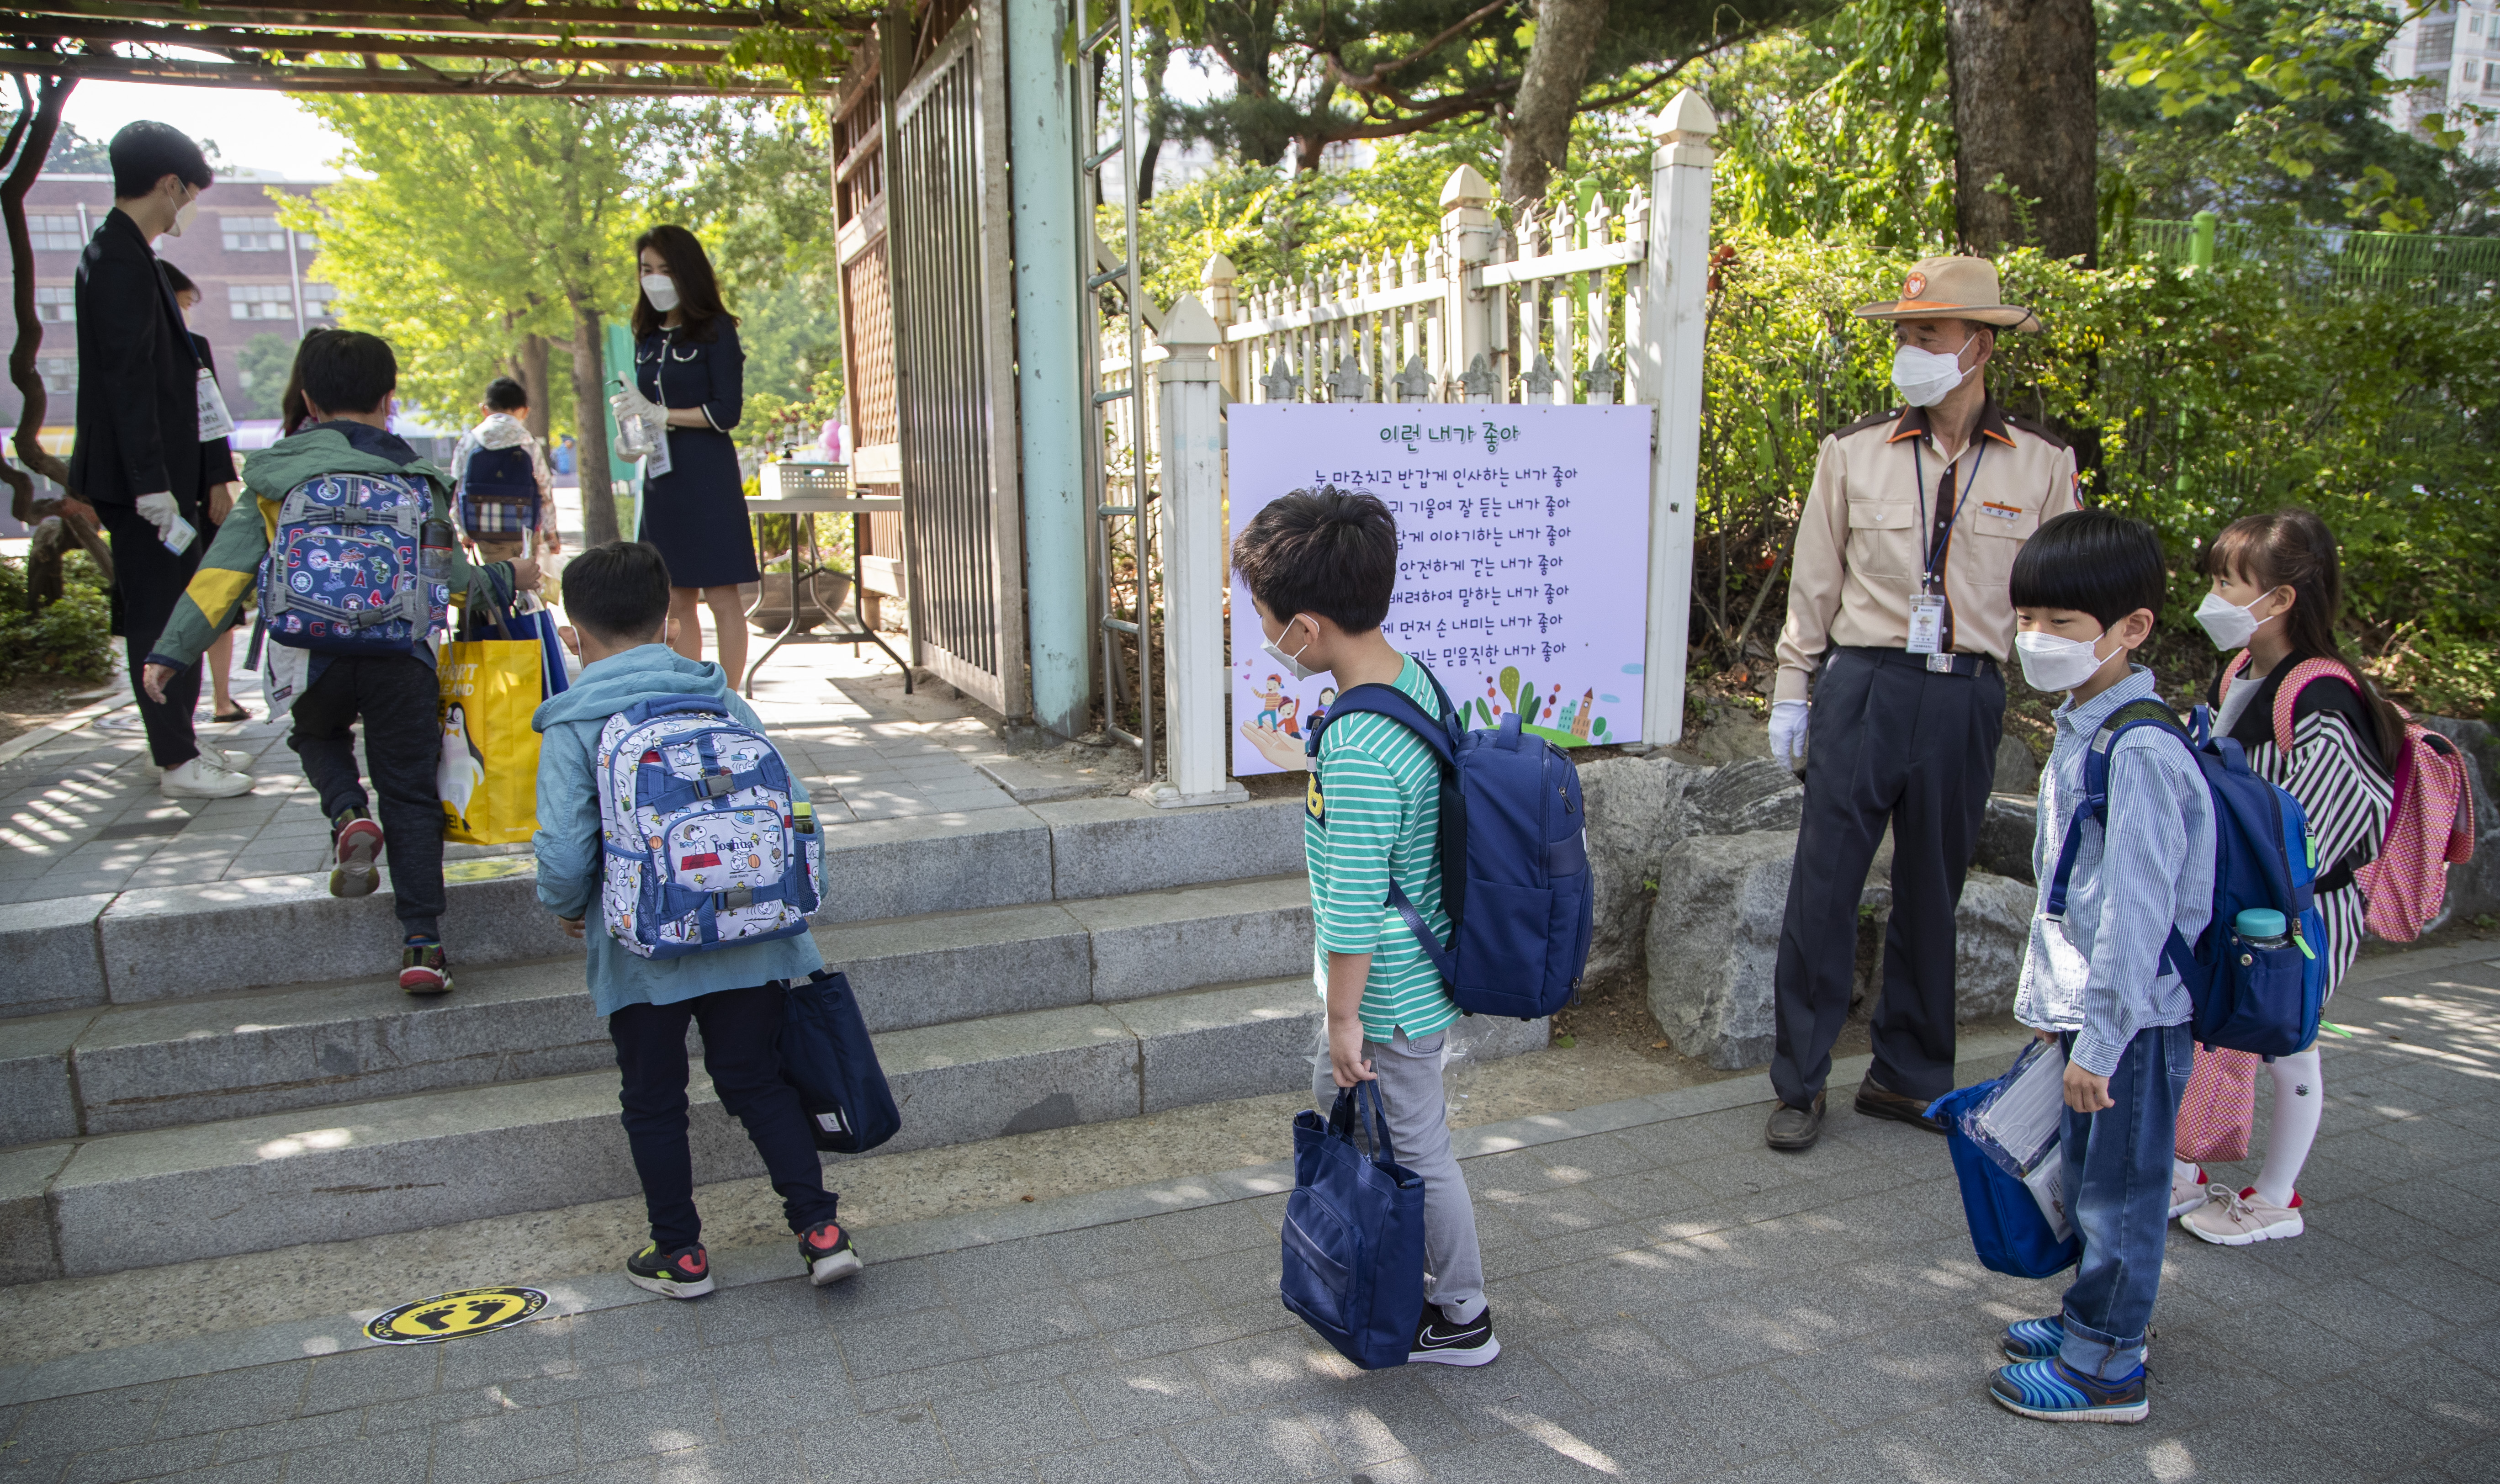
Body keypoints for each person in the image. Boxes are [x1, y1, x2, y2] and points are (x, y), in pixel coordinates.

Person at [1761, 256, 2084, 1151]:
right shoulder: (1852, 452)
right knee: (1824, 887)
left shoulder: (2046, 466)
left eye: (1926, 334)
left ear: (1977, 346)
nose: (1908, 349)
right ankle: (1800, 1083)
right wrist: (1794, 692)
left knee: (1932, 888)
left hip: (1967, 697)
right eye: (1903, 333)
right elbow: (1813, 587)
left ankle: (1908, 1077)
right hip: (1863, 684)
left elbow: (2064, 590)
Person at [141, 331, 536, 996]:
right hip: (400, 660)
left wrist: (169, 654)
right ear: (389, 400)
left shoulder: (275, 476)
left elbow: (224, 574)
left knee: (317, 735)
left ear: (308, 401)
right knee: (410, 794)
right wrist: (512, 574)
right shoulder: (418, 480)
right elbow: (454, 584)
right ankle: (423, 945)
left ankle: (347, 811)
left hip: (310, 658)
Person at [530, 540, 860, 1299]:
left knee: (654, 1098)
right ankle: (820, 1230)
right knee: (756, 1081)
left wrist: (565, 906)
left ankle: (680, 1254)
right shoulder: (724, 701)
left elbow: (562, 849)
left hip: (641, 949)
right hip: (750, 938)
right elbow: (794, 810)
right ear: (669, 622)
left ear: (574, 634)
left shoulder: (575, 723)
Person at [1232, 487, 1500, 1367]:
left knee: (1418, 1151)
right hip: (1409, 975)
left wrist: (1346, 1019)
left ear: (1305, 628)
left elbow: (1352, 905)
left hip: (1386, 994)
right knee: (1378, 1129)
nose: (1265, 635)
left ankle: (1462, 1316)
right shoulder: (1405, 679)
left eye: (1268, 620)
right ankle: (1384, 1259)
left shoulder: (1356, 747)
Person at [1992, 509, 2207, 1425]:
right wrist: (2057, 1011)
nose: (2036, 639)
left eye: (2063, 625)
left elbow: (2137, 915)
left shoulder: (2143, 750)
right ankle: (2093, 1317)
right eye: (2028, 617)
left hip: (2135, 1017)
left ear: (2132, 630)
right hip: (2097, 1010)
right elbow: (2072, 890)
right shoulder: (2088, 721)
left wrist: (2102, 1044)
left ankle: (2108, 1366)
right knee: (2086, 1180)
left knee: (2121, 1192)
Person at [2169, 509, 2396, 1246]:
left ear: (2282, 599)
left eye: (2230, 583)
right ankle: (2187, 1165)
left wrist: (2253, 884)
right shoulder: (2243, 670)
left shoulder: (2325, 696)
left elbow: (2327, 829)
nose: (2215, 596)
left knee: (2289, 1039)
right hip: (2247, 897)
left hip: (2303, 909)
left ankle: (2275, 1198)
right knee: (2227, 1023)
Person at [71, 122, 253, 799]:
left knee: (179, 606)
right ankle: (177, 760)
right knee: (161, 613)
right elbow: (128, 379)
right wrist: (151, 485)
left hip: (163, 478)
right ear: (169, 184)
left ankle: (183, 748)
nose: (189, 208)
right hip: (144, 481)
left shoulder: (129, 254)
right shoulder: (116, 258)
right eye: (190, 193)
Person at [630, 224, 754, 685]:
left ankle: (733, 698)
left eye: (666, 269)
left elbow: (728, 410)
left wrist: (665, 415)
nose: (655, 278)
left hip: (708, 472)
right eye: (647, 269)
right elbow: (645, 408)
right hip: (662, 476)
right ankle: (691, 693)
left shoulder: (716, 330)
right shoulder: (646, 334)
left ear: (687, 272)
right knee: (675, 593)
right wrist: (636, 435)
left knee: (722, 592)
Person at [161, 264, 250, 724]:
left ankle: (221, 697)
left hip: (198, 494)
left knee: (216, 593)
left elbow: (211, 420)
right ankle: (172, 711)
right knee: (166, 603)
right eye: (183, 303)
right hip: (152, 497)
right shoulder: (124, 350)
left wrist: (219, 480)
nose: (186, 314)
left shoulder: (195, 349)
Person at [449, 376, 559, 568]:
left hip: (485, 533)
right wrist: (550, 532)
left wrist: (462, 530)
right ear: (524, 412)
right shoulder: (528, 443)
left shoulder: (470, 441)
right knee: (529, 587)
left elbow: (456, 488)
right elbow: (544, 488)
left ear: (485, 409)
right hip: (525, 531)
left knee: (498, 586)